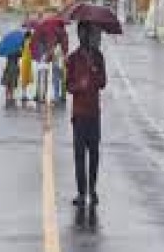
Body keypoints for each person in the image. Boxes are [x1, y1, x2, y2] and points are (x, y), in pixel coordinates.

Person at [66, 21, 107, 207]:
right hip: (79, 114)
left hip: (94, 114)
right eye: (80, 33)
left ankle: (93, 189)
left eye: (86, 33)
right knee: (79, 155)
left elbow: (103, 82)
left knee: (94, 155)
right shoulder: (73, 58)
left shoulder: (98, 57)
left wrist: (94, 71)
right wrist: (79, 86)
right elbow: (68, 85)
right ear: (78, 35)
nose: (83, 36)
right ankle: (81, 193)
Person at [51, 33, 66, 104]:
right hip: (62, 65)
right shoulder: (63, 46)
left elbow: (54, 57)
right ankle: (63, 96)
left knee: (56, 82)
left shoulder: (56, 47)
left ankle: (56, 98)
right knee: (62, 81)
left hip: (57, 66)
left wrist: (52, 54)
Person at [20, 31, 33, 103]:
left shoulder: (23, 42)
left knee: (24, 79)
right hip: (27, 62)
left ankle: (24, 94)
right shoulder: (30, 42)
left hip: (24, 61)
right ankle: (24, 95)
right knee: (25, 79)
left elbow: (21, 51)